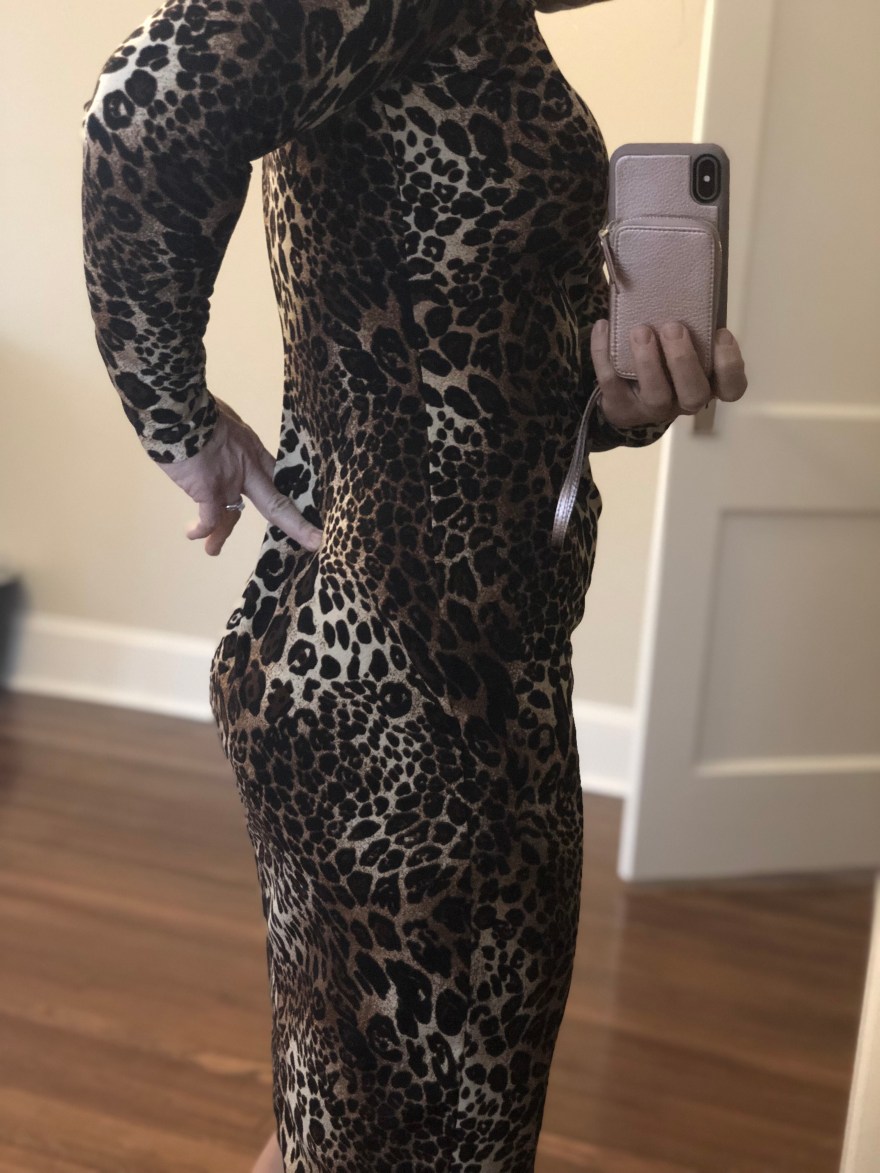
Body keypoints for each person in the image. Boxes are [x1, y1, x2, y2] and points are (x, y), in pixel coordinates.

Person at [80, 1, 748, 1170]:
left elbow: (473, 378)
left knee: (344, 1120)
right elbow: (147, 104)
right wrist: (177, 424)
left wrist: (616, 401)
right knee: (401, 1138)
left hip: (440, 684)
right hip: (403, 708)